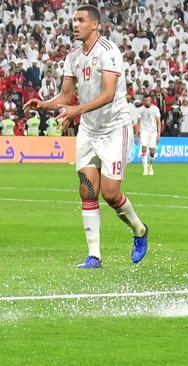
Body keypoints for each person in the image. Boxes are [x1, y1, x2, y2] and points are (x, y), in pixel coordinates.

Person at [23, 5, 148, 269]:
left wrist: (76, 110)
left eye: (80, 20)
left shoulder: (109, 51)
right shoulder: (73, 57)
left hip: (115, 128)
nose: (75, 24)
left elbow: (109, 94)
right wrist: (43, 105)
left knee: (111, 194)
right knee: (87, 191)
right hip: (89, 130)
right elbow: (66, 97)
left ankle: (138, 229)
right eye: (74, 20)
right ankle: (94, 256)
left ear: (94, 24)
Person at [137, 94, 161, 176]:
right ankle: (145, 169)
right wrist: (137, 134)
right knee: (143, 149)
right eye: (145, 100)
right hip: (144, 131)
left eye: (148, 100)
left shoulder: (155, 109)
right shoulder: (140, 109)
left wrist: (159, 134)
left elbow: (158, 122)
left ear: (151, 100)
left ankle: (150, 166)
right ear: (143, 101)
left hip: (153, 132)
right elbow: (138, 122)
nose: (147, 102)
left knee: (152, 152)